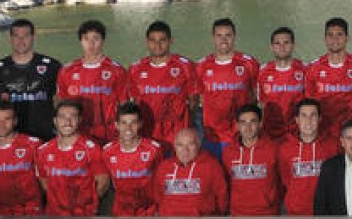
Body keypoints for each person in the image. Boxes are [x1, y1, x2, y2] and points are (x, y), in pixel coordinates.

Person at [0, 18, 62, 140]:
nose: (21, 40)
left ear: (33, 37)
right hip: (10, 138)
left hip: (46, 136)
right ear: (10, 39)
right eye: (16, 36)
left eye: (25, 36)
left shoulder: (53, 67)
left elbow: (62, 99)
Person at [128, 21, 198, 151]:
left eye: (162, 40)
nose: (157, 45)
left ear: (170, 41)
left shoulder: (186, 66)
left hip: (177, 134)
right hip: (147, 133)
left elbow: (194, 101)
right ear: (147, 42)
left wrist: (184, 123)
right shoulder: (135, 69)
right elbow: (135, 103)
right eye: (153, 40)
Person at [56, 20, 129, 144]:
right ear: (80, 41)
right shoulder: (67, 71)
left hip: (110, 134)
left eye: (96, 38)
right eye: (86, 39)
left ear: (103, 40)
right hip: (78, 134)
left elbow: (124, 104)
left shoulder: (117, 70)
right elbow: (61, 105)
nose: (91, 43)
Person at [195, 18, 258, 159]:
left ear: (234, 37)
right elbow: (198, 100)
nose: (224, 40)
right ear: (213, 38)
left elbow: (254, 96)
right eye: (219, 36)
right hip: (212, 137)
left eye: (228, 35)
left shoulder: (249, 63)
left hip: (241, 135)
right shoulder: (201, 66)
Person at [306, 17, 352, 140]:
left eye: (339, 34)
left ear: (347, 38)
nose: (335, 39)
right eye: (330, 35)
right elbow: (310, 103)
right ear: (325, 39)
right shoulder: (313, 68)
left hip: (350, 133)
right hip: (323, 132)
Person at [257, 27, 307, 141]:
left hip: (298, 135)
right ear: (272, 47)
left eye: (286, 43)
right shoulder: (261, 72)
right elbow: (261, 104)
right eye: (277, 43)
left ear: (293, 45)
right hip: (270, 135)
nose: (282, 47)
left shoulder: (306, 70)